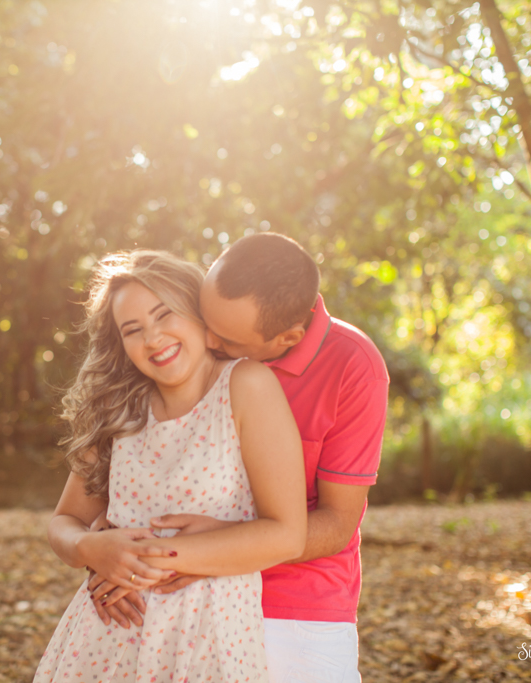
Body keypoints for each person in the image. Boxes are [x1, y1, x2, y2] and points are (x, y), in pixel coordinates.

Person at [90, 234, 389, 683]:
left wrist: (204, 551)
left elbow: (338, 523)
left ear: (287, 338)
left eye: (226, 338)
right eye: (203, 317)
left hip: (293, 606)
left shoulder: (353, 366)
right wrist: (108, 548)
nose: (208, 339)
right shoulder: (188, 353)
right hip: (171, 600)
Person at [34, 250, 308, 682]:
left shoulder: (245, 385)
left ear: (198, 314)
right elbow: (64, 521)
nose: (153, 338)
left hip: (209, 636)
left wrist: (145, 559)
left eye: (165, 315)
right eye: (132, 329)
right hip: (106, 637)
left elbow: (287, 535)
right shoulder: (118, 405)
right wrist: (91, 550)